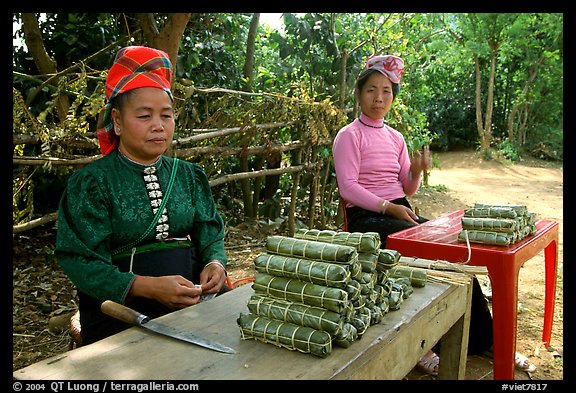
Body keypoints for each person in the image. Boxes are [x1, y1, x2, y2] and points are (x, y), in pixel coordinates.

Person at [332, 54, 535, 376]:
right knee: (419, 264)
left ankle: (490, 340)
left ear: (393, 97)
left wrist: (414, 172)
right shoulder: (348, 136)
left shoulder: (395, 137)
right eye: (371, 90)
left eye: (386, 90)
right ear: (359, 94)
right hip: (367, 219)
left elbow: (407, 190)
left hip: (400, 212)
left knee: (455, 258)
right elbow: (348, 188)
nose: (379, 97)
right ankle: (423, 345)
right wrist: (389, 207)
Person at [55, 46, 229, 346]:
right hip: (118, 311)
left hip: (193, 301)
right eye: (144, 116)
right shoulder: (92, 183)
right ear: (118, 122)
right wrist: (145, 287)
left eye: (166, 115)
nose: (159, 125)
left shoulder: (189, 176)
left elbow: (209, 230)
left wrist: (215, 263)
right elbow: (79, 260)